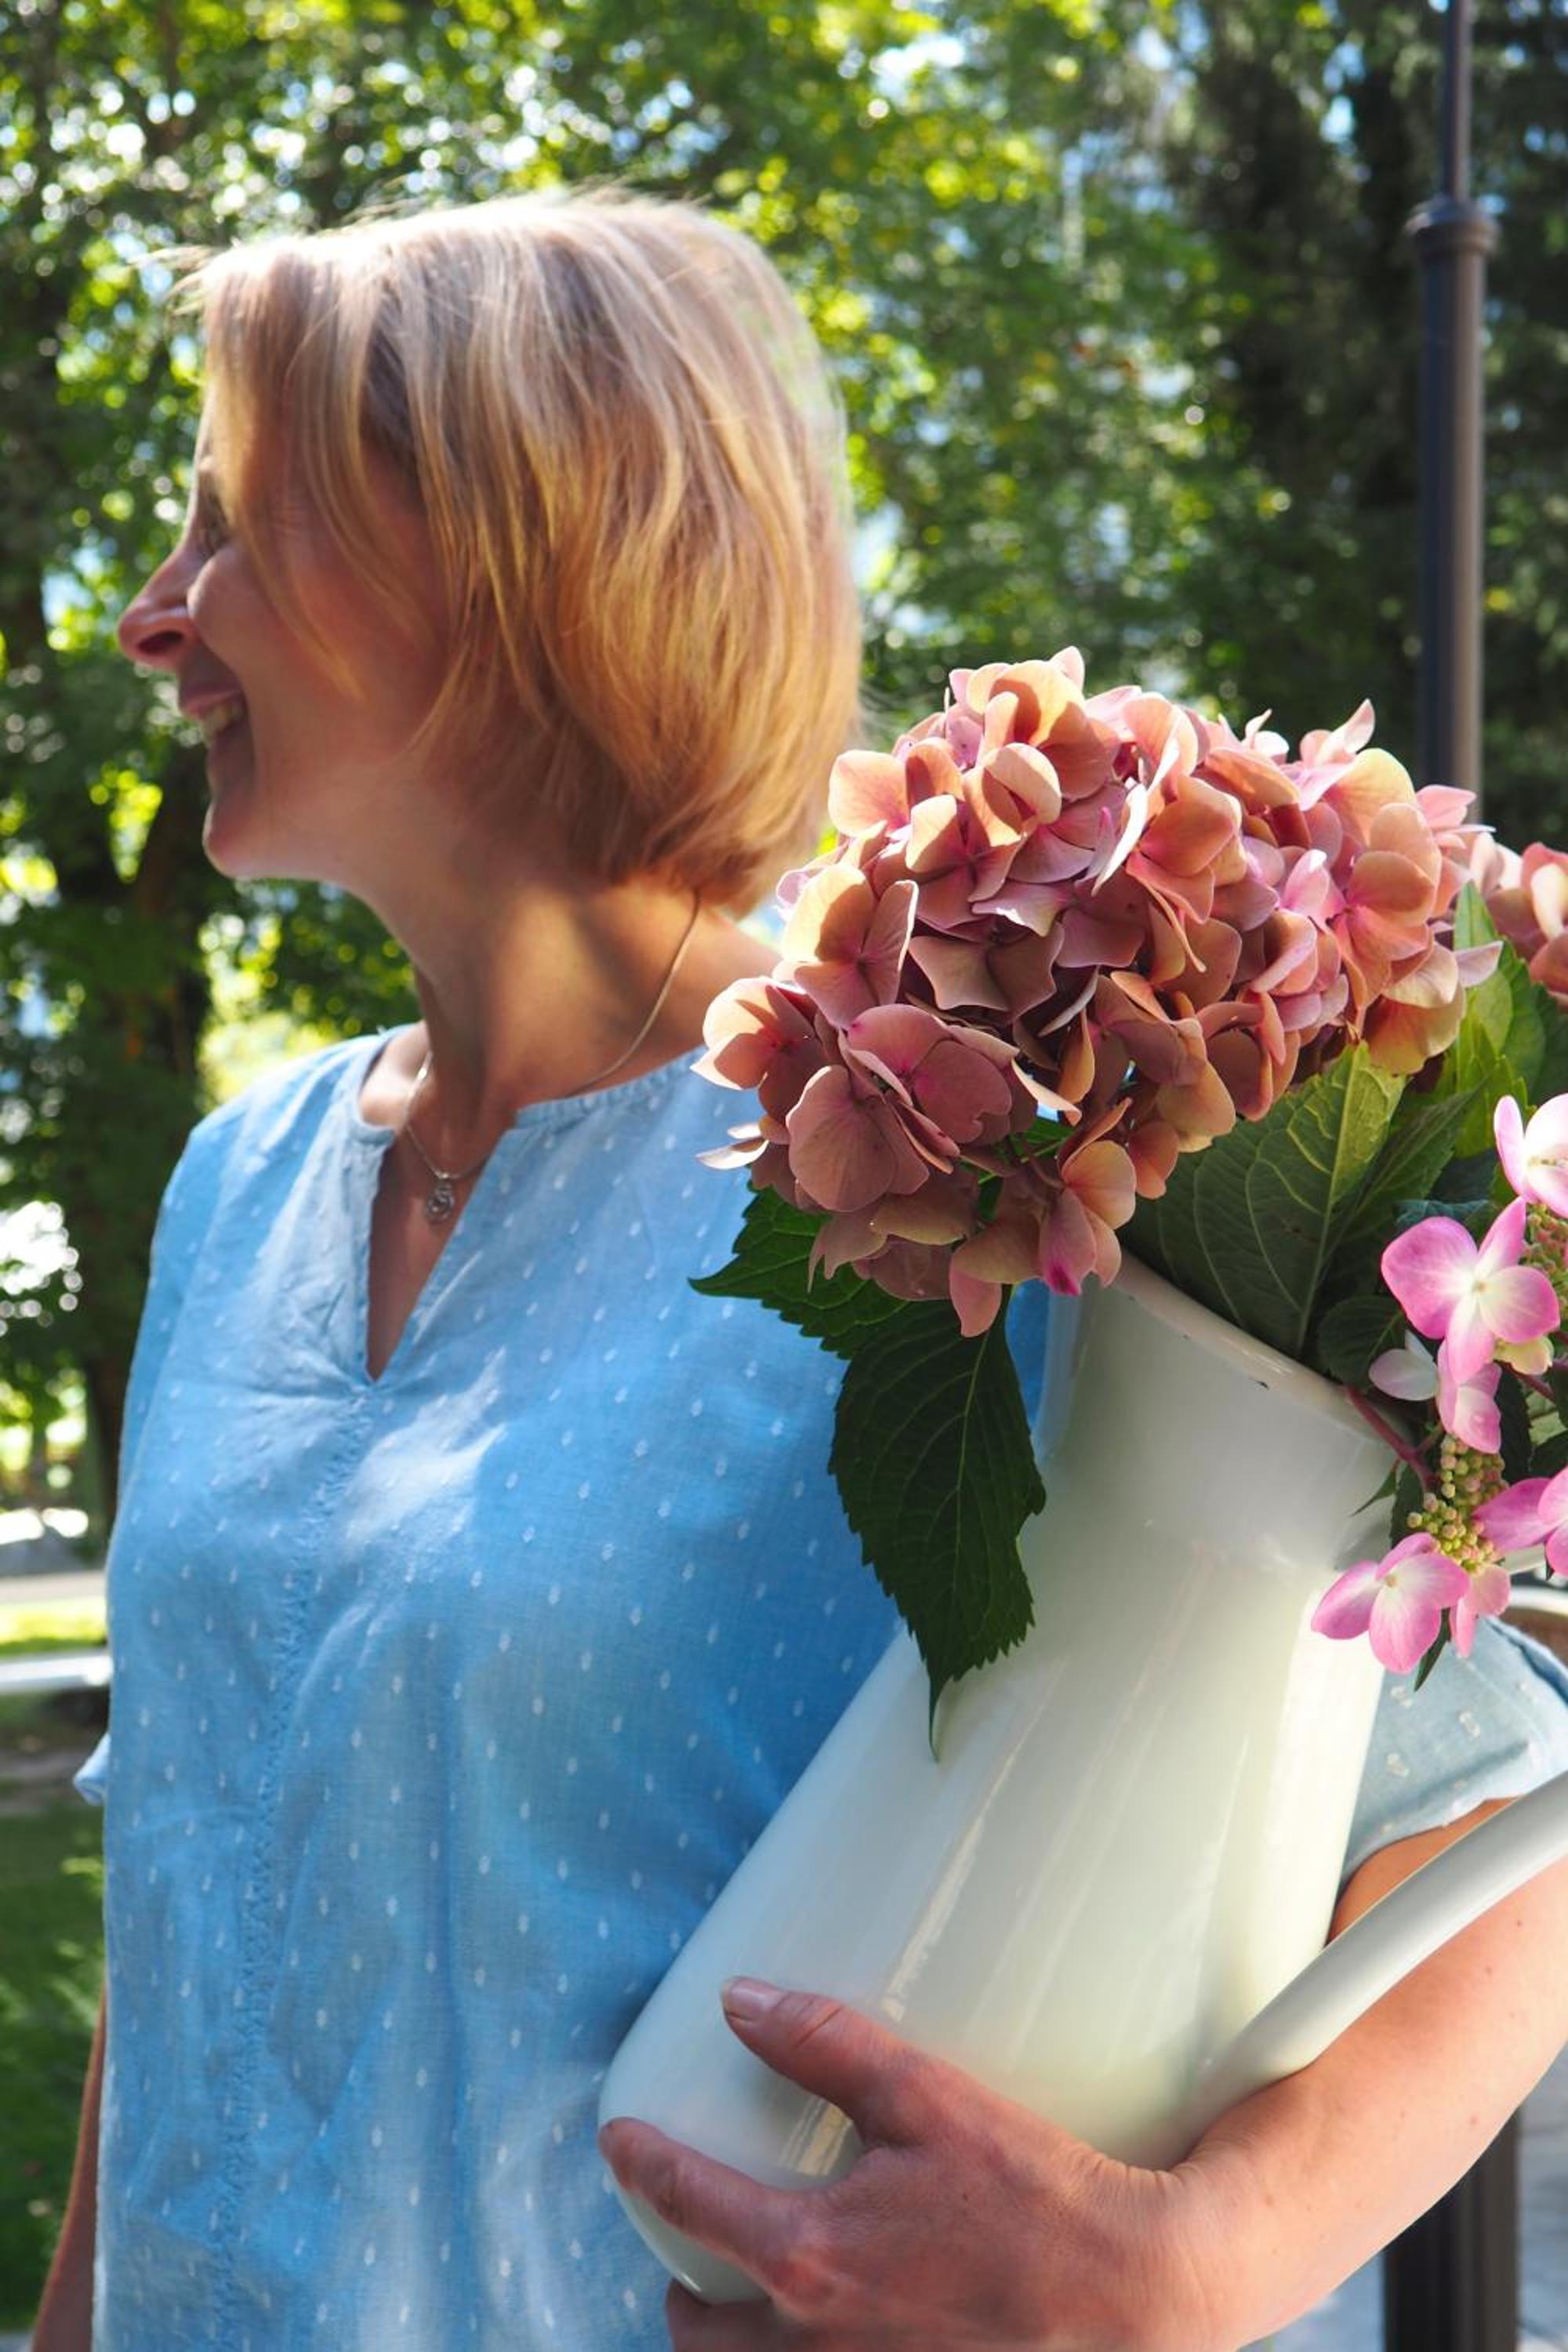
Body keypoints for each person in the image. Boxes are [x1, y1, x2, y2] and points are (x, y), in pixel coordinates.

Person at [34, 187, 1568, 2352]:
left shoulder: (955, 1176)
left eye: (232, 528)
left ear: (505, 557)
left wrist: (1193, 2264)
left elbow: (1498, 1821)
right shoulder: (236, 1183)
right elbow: (192, 1871)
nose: (152, 617)